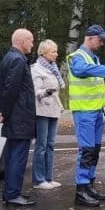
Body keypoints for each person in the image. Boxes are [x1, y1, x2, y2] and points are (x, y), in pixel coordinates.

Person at [68, 24, 105, 207]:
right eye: (100, 39)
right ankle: (81, 189)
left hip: (96, 112)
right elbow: (81, 71)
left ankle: (89, 185)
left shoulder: (94, 58)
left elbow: (96, 86)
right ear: (90, 38)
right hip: (84, 112)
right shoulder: (77, 57)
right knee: (86, 150)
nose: (102, 42)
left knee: (94, 150)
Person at [0, 28, 37, 206]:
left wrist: (3, 111)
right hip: (19, 116)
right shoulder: (18, 60)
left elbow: (4, 88)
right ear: (22, 41)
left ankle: (11, 192)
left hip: (15, 115)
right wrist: (3, 112)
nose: (32, 44)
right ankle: (13, 194)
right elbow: (10, 90)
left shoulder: (9, 58)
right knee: (17, 156)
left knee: (13, 155)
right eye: (31, 41)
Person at [30, 39, 65, 190]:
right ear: (44, 53)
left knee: (51, 144)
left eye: (56, 51)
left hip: (54, 110)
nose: (56, 54)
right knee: (41, 145)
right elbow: (36, 91)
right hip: (42, 110)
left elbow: (56, 91)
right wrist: (46, 92)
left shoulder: (53, 68)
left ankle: (49, 178)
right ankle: (39, 180)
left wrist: (60, 104)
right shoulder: (36, 69)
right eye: (53, 52)